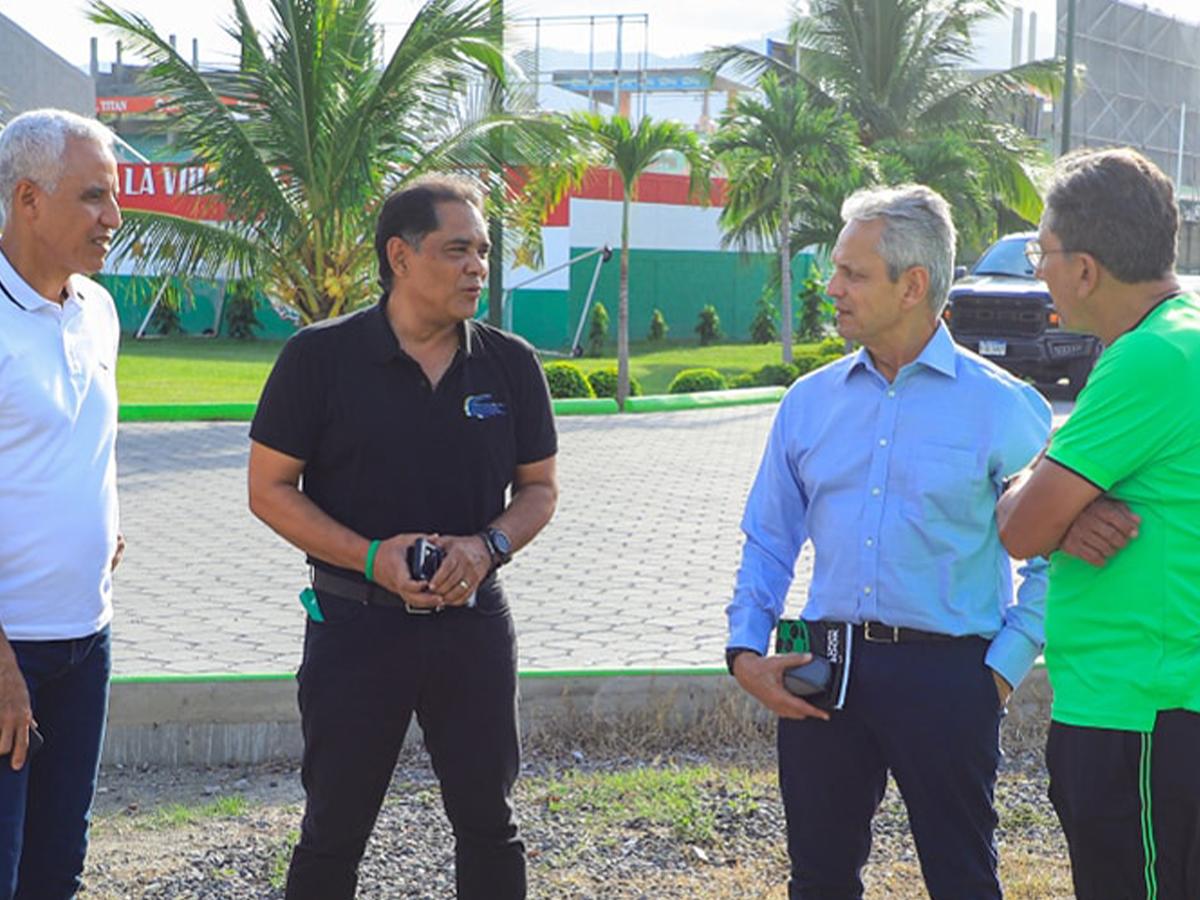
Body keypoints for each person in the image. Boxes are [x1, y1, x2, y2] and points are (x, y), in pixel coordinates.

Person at [725, 184, 1051, 899]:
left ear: (913, 285)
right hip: (824, 670)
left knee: (963, 880)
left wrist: (1001, 667)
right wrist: (746, 650)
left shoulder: (1003, 407)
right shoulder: (808, 402)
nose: (831, 287)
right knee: (818, 878)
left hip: (951, 677)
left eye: (852, 273)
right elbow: (770, 536)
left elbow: (1054, 554)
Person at [248, 175, 558, 899]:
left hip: (473, 628)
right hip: (355, 628)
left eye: (482, 251)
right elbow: (268, 490)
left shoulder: (510, 364)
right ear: (401, 255)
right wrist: (369, 557)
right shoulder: (317, 358)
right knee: (333, 831)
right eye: (457, 250)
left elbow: (539, 490)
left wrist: (487, 548)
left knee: (489, 823)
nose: (477, 266)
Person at [996, 148, 1200, 900]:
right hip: (1152, 706)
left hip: (1142, 711)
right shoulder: (1179, 338)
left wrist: (1049, 507)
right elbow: (1043, 510)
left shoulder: (1148, 359)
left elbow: (1019, 528)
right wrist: (1061, 509)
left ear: (1084, 268)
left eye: (1040, 252)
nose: (1038, 270)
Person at [0, 109, 124, 898]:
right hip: (8, 652)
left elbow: (81, 439)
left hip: (86, 640)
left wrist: (103, 522)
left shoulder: (99, 311)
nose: (113, 219)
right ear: (28, 199)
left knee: (57, 871)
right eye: (93, 197)